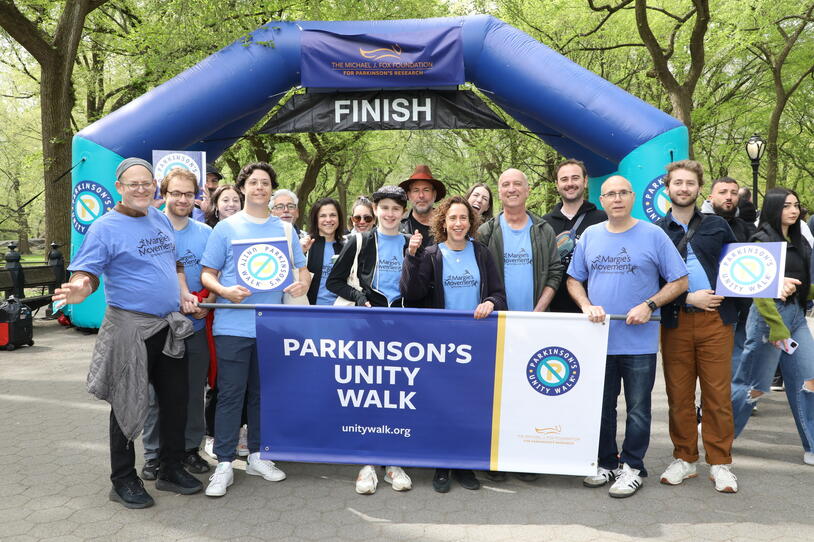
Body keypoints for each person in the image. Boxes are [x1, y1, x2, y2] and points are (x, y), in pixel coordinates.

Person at [53, 157, 203, 508]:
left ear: (154, 186)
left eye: (146, 183)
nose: (140, 189)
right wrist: (79, 288)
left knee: (175, 399)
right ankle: (122, 479)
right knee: (127, 402)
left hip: (167, 326)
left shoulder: (160, 218)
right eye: (132, 184)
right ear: (119, 188)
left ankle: (169, 467)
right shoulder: (105, 227)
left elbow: (174, 260)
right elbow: (87, 271)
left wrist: (181, 290)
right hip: (130, 329)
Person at [567, 175, 688, 498]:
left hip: (639, 342)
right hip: (599, 339)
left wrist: (650, 305)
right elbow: (573, 280)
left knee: (638, 408)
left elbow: (679, 281)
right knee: (603, 406)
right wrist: (586, 304)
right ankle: (606, 462)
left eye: (622, 193)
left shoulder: (653, 235)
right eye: (610, 194)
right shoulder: (590, 235)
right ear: (602, 200)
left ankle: (632, 466)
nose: (617, 199)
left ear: (632, 197)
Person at [200, 162, 310, 497]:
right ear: (243, 187)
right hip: (233, 325)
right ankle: (223, 462)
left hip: (272, 326)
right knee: (230, 395)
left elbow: (302, 272)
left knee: (262, 395)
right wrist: (224, 291)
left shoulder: (285, 230)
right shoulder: (226, 228)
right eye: (253, 182)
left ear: (271, 189)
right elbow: (207, 274)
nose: (259, 188)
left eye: (265, 183)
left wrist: (300, 285)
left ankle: (259, 456)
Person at [400, 195, 507, 492]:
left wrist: (489, 302)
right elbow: (411, 294)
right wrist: (411, 256)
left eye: (463, 218)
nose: (458, 223)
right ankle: (442, 465)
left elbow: (499, 294)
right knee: (441, 405)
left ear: (470, 223)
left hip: (474, 344)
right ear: (443, 223)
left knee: (468, 406)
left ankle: (464, 465)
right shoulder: (432, 254)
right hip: (440, 345)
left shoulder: (482, 254)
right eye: (452, 218)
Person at [655, 160, 739, 493]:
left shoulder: (718, 226)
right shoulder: (656, 231)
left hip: (716, 321)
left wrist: (774, 280)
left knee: (718, 396)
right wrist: (687, 298)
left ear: (698, 188)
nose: (684, 188)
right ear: (668, 188)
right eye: (678, 183)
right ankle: (685, 459)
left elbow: (740, 267)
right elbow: (653, 281)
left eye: (690, 183)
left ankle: (720, 463)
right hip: (676, 321)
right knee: (679, 395)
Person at [326, 185, 414, 494]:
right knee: (366, 393)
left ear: (403, 213)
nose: (390, 213)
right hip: (365, 326)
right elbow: (334, 281)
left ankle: (391, 463)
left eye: (396, 208)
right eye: (384, 207)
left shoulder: (410, 243)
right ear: (375, 210)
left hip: (399, 327)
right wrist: (360, 296)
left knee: (395, 394)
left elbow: (418, 287)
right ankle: (365, 464)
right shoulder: (360, 240)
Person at [477, 167, 563, 482]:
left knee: (530, 394)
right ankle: (495, 459)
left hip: (534, 325)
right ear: (499, 193)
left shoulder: (543, 230)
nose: (512, 189)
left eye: (518, 184)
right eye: (505, 184)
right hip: (497, 326)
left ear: (527, 191)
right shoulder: (486, 231)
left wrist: (539, 311)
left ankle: (526, 456)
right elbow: (480, 277)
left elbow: (555, 272)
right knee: (496, 394)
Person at [730, 187, 814, 467]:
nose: (794, 210)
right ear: (774, 208)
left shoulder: (800, 239)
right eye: (787, 205)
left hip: (796, 316)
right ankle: (721, 436)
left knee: (808, 382)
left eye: (796, 205)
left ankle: (812, 446)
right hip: (768, 319)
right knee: (755, 387)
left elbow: (805, 283)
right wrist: (777, 327)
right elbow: (758, 290)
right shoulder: (762, 240)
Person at [141, 168, 213, 480]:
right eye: (176, 193)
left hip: (195, 326)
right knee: (157, 396)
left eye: (188, 194)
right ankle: (154, 454)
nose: (182, 199)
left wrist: (205, 305)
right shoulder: (149, 230)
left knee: (195, 393)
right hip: (158, 328)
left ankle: (188, 449)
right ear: (164, 195)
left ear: (197, 197)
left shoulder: (205, 234)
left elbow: (215, 275)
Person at [704, 177, 756, 379]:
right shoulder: (700, 225)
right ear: (710, 196)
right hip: (712, 307)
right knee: (714, 364)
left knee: (740, 358)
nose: (729, 197)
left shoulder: (746, 227)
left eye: (734, 193)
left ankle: (735, 403)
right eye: (723, 192)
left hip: (743, 307)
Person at [543, 159, 607, 313]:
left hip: (595, 308)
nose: (570, 183)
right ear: (557, 185)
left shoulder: (603, 219)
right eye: (564, 179)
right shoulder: (544, 224)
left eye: (575, 178)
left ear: (585, 181)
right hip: (553, 308)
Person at [304, 197, 345, 305]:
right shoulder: (306, 245)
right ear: (315, 219)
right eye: (322, 216)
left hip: (341, 311)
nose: (328, 220)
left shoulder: (346, 247)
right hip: (310, 310)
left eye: (333, 215)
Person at [399, 164, 446, 249]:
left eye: (426, 190)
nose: (421, 195)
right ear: (408, 195)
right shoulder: (398, 226)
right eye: (416, 190)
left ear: (434, 194)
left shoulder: (447, 224)